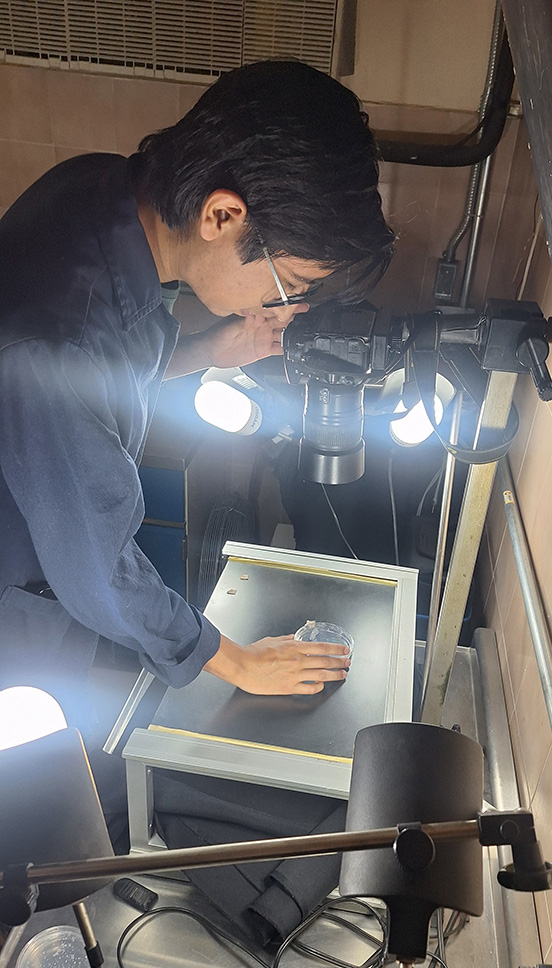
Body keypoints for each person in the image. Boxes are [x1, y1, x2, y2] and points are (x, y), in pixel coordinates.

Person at [0, 59, 394, 725]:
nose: (286, 303)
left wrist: (215, 349)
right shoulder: (57, 339)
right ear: (221, 214)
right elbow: (99, 575)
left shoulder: (99, 186)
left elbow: (99, 374)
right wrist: (238, 661)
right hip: (18, 596)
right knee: (32, 786)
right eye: (289, 283)